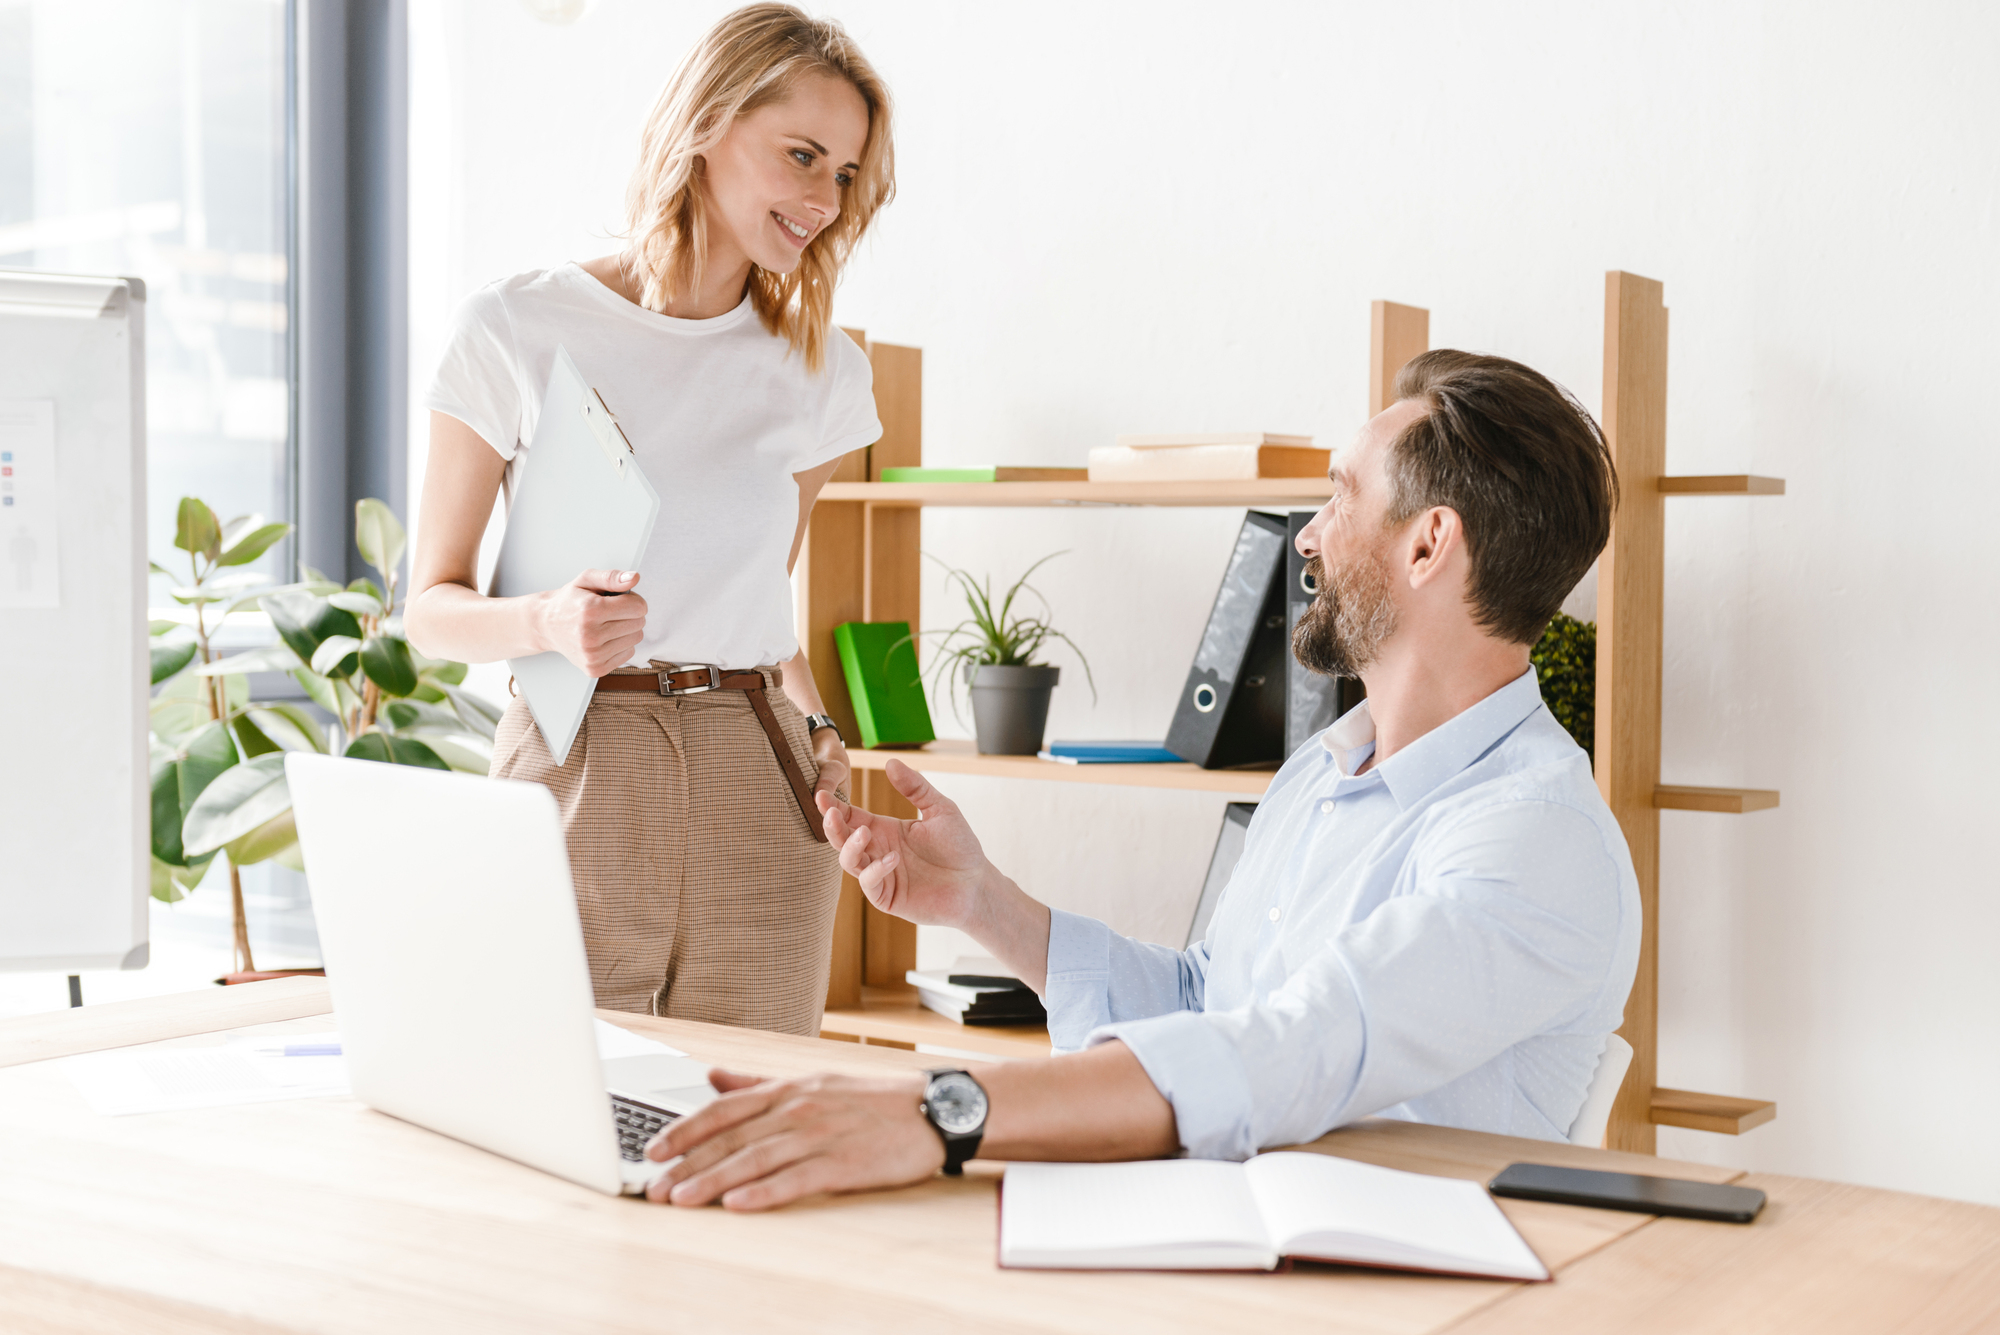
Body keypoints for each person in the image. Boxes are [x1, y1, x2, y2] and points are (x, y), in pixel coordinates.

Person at [638, 350, 1643, 1210]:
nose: (1306, 535)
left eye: (1339, 496)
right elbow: (1214, 1000)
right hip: (1220, 1224)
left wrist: (938, 1108)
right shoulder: (1326, 771)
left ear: (1428, 544)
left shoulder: (1529, 836)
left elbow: (1294, 1046)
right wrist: (983, 905)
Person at [403, 5, 894, 1034]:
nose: (820, 198)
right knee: (556, 1096)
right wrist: (545, 622)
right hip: (580, 747)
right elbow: (430, 612)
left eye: (843, 175)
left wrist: (815, 728)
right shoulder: (519, 326)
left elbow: (764, 603)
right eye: (800, 155)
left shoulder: (823, 372)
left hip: (758, 759)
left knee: (750, 1113)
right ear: (708, 123)